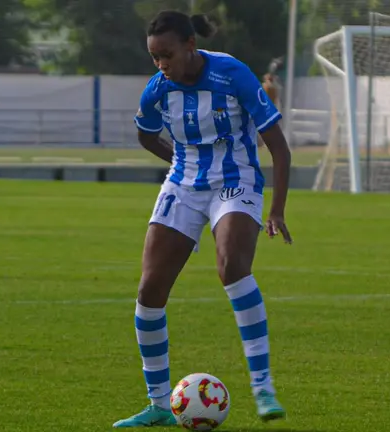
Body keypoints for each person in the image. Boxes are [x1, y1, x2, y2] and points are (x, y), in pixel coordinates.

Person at [113, 10, 292, 428]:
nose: (161, 65)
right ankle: (158, 404)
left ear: (190, 45)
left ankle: (263, 387)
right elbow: (144, 133)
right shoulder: (158, 90)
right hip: (184, 184)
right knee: (149, 289)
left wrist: (277, 209)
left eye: (167, 55)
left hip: (236, 179)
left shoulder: (233, 74)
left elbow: (279, 148)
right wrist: (175, 160)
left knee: (232, 266)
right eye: (155, 57)